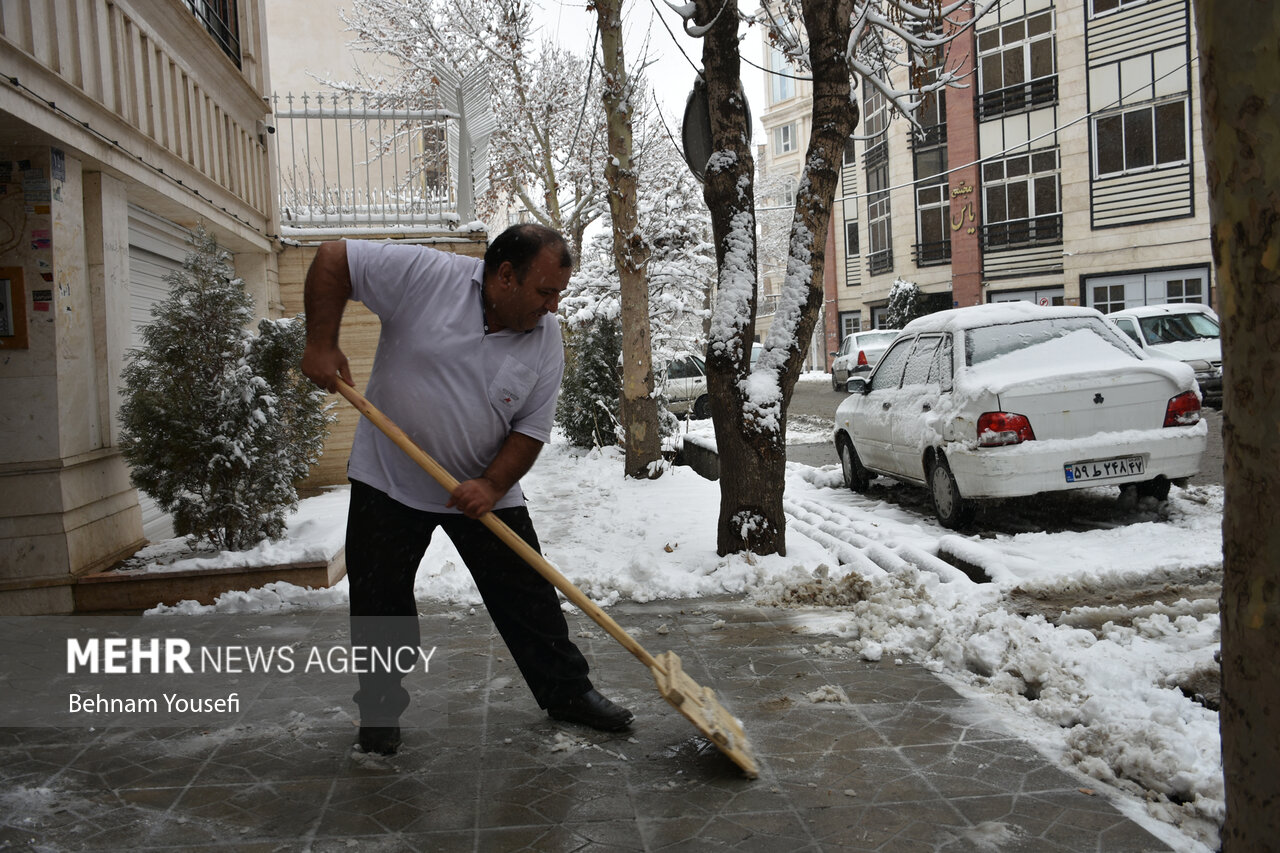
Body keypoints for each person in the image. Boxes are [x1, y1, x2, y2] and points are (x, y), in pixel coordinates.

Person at [300, 224, 632, 755]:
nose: (552, 306)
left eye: (559, 294)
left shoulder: (545, 340)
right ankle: (381, 710)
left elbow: (530, 431)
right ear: (504, 276)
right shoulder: (426, 277)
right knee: (379, 601)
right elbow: (333, 256)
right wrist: (321, 341)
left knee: (528, 597)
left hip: (481, 486)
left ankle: (568, 694)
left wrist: (492, 483)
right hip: (389, 478)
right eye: (545, 292)